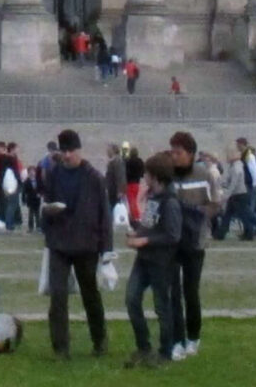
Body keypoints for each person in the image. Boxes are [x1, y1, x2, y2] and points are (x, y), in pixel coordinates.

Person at [38, 128, 111, 360]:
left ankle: (99, 340)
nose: (67, 155)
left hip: (86, 243)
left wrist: (106, 249)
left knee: (90, 294)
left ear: (79, 150)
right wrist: (48, 217)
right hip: (59, 243)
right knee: (57, 296)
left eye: (71, 150)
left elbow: (104, 215)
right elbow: (46, 204)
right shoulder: (54, 174)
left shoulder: (94, 177)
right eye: (64, 151)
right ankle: (61, 347)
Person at [122, 151, 182, 368]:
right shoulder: (153, 198)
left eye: (147, 174)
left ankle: (165, 352)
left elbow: (172, 235)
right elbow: (149, 224)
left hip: (161, 262)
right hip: (144, 259)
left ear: (156, 176)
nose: (144, 178)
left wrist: (145, 240)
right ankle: (143, 346)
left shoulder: (170, 203)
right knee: (131, 299)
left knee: (161, 307)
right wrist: (137, 232)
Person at [168, 133, 211, 359]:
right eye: (172, 152)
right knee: (173, 291)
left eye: (179, 153)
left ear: (191, 154)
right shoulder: (168, 175)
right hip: (172, 241)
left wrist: (198, 216)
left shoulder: (204, 174)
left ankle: (193, 336)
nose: (175, 157)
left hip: (194, 242)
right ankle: (176, 338)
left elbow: (214, 203)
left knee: (190, 291)